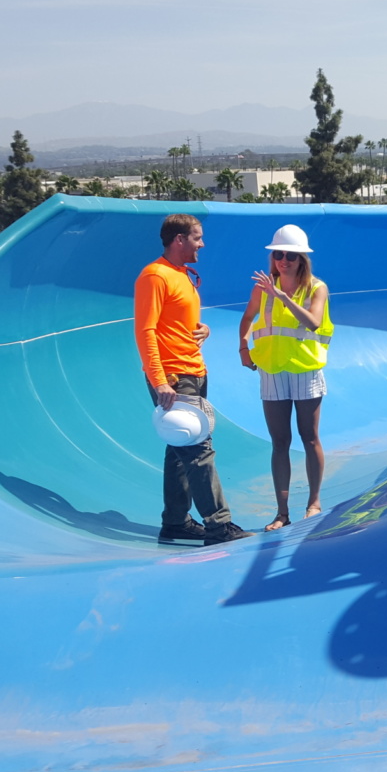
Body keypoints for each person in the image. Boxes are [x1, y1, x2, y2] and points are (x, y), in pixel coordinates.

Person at [135, 213, 253, 546]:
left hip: (194, 371)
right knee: (198, 450)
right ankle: (218, 525)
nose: (202, 243)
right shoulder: (154, 276)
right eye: (197, 237)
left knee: (179, 450)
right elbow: (145, 331)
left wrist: (204, 329)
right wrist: (159, 381)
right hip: (173, 376)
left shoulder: (182, 274)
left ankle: (175, 522)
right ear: (179, 240)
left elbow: (176, 322)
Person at [238, 224, 332, 531]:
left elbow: (314, 322)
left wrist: (281, 297)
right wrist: (243, 347)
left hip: (305, 370)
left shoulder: (316, 288)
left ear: (302, 258)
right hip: (273, 370)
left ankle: (313, 503)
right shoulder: (261, 288)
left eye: (290, 255)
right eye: (279, 254)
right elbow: (248, 316)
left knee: (309, 438)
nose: (284, 260)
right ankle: (281, 513)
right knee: (280, 442)